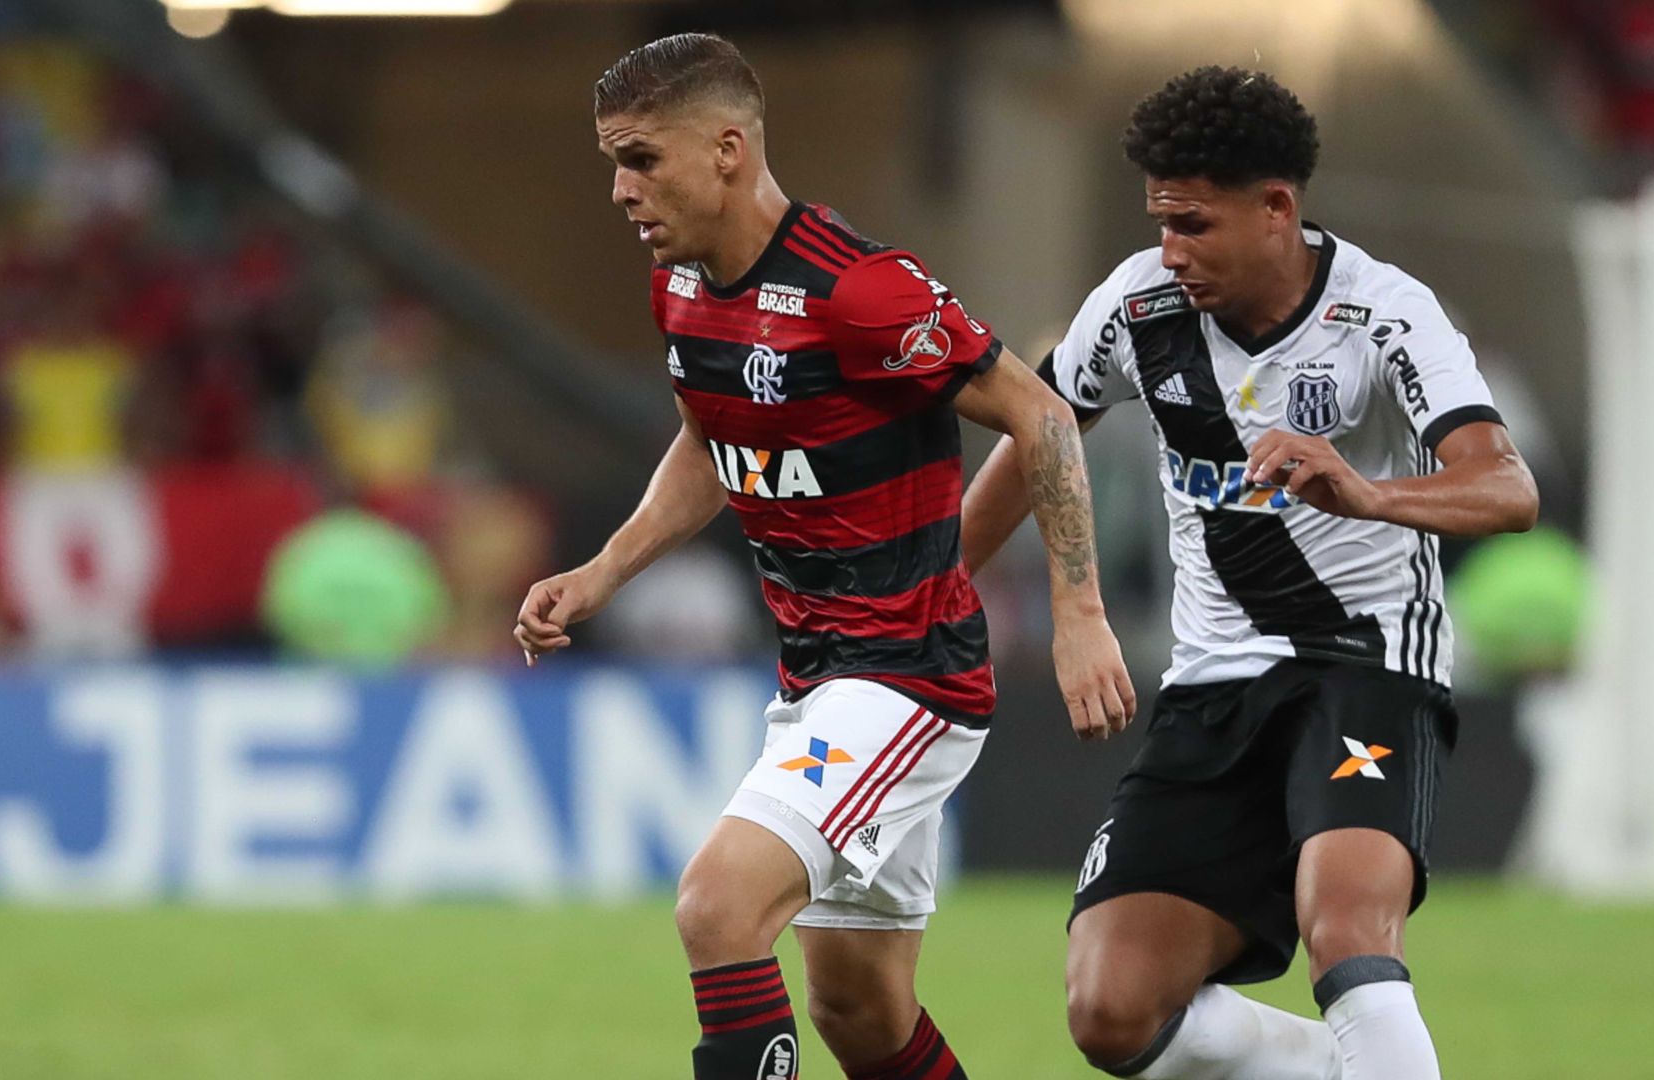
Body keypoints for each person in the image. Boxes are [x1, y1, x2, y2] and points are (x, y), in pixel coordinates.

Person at [512, 33, 1135, 1080]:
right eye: (613, 161)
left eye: (640, 158)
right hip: (816, 678)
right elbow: (715, 438)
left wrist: (1078, 615)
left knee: (718, 906)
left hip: (906, 676)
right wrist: (604, 572)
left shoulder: (859, 291)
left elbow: (1041, 415)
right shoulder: (683, 289)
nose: (621, 190)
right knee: (858, 1010)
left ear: (725, 149)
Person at [962, 67, 1540, 1080]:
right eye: (1161, 224)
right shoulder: (1136, 307)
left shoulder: (1384, 314)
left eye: (1194, 225)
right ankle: (1349, 1068)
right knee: (1111, 1011)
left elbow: (1505, 487)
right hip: (1214, 686)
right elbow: (1039, 429)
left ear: (1277, 207)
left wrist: (1369, 494)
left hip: (1366, 669)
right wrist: (942, 591)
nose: (1171, 252)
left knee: (1346, 925)